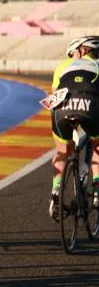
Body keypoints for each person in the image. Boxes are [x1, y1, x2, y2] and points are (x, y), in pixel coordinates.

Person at [49, 36, 99, 219]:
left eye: (72, 53)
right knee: (97, 147)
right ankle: (96, 193)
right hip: (90, 107)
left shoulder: (63, 67)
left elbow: (55, 96)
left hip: (62, 111)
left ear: (82, 50)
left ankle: (55, 194)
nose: (72, 57)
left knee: (62, 150)